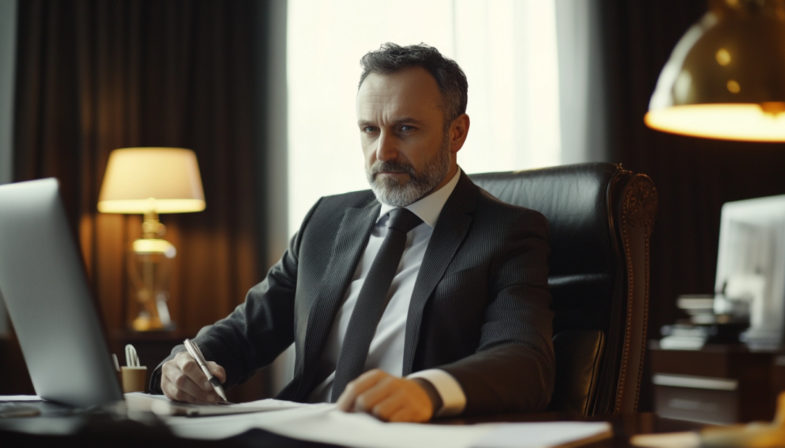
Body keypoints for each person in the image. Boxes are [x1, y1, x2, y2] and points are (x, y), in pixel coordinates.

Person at [151, 43, 554, 423]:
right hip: (300, 432)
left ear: (457, 133)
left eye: (406, 128)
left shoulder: (507, 232)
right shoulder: (326, 219)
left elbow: (524, 361)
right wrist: (188, 364)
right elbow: (245, 332)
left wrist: (427, 392)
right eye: (369, 130)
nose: (383, 152)